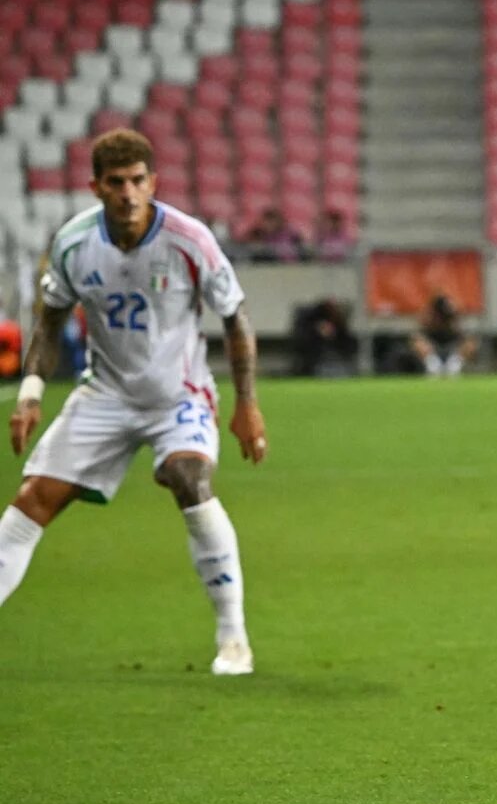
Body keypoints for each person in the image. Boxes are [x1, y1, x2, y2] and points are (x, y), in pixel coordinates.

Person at [2, 129, 267, 674]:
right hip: (106, 393)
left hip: (178, 394)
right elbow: (49, 322)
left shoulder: (189, 240)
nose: (128, 193)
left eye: (138, 181)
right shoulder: (74, 243)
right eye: (116, 182)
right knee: (33, 500)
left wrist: (247, 403)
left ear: (154, 182)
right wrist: (30, 395)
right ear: (96, 186)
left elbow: (235, 317)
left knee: (188, 478)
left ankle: (233, 637)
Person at [410, 294, 476, 377]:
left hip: (452, 350)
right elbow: (417, 335)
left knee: (470, 342)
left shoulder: (454, 320)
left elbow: (467, 337)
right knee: (418, 341)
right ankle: (433, 367)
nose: (444, 319)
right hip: (434, 350)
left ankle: (453, 367)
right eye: (441, 316)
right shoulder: (429, 320)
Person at [291, 297, 358, 377]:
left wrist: (332, 334)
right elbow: (301, 333)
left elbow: (344, 338)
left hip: (332, 346)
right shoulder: (310, 317)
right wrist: (318, 329)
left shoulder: (338, 322)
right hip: (311, 345)